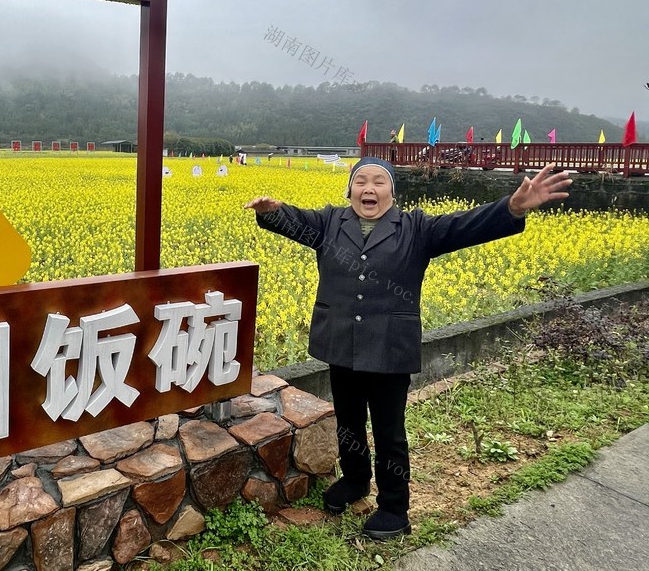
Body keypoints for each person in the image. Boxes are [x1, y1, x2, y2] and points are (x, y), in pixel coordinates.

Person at [244, 157, 571, 540]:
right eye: (360, 181)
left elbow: (462, 226)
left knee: (389, 432)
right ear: (349, 190)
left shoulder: (416, 228)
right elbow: (294, 221)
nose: (369, 188)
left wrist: (511, 208)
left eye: (378, 182)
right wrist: (272, 211)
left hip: (389, 349)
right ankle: (354, 481)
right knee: (349, 423)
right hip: (342, 344)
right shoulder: (331, 222)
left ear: (392, 192)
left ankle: (395, 507)